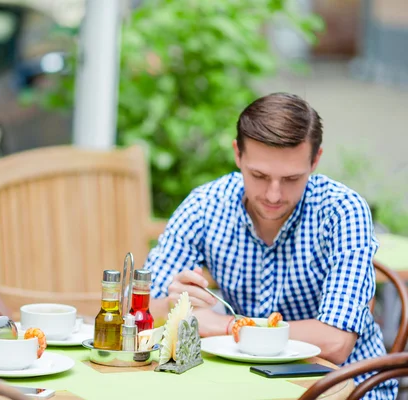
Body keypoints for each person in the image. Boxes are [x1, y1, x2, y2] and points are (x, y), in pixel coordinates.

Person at [145, 92, 396, 399]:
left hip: (347, 387)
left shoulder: (342, 210)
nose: (274, 195)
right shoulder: (205, 205)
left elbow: (335, 342)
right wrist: (173, 305)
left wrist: (226, 327)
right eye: (259, 176)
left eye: (291, 178)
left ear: (315, 160)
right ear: (238, 154)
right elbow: (144, 310)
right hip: (246, 383)